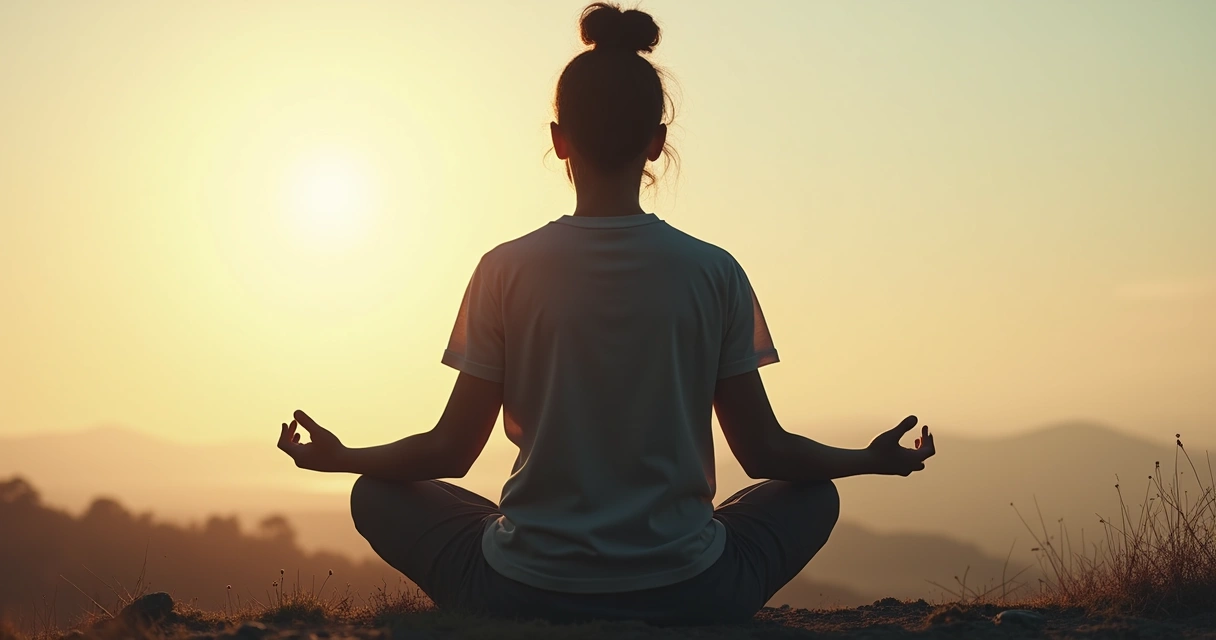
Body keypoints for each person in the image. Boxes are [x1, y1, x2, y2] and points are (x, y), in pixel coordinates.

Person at [275, 2, 935, 625]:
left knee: (375, 492)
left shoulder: (505, 268)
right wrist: (869, 459)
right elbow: (765, 452)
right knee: (816, 493)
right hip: (693, 592)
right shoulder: (714, 272)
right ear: (657, 141)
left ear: (560, 141)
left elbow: (450, 451)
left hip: (520, 592)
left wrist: (343, 457)